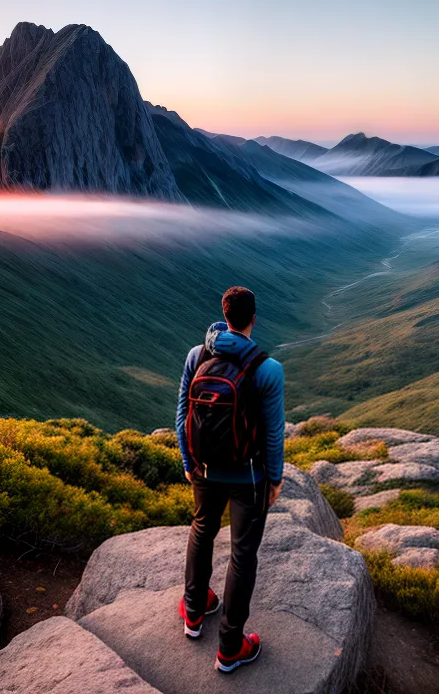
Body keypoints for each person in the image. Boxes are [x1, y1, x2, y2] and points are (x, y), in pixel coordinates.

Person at [175, 286, 285, 673]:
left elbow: (182, 412)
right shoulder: (267, 369)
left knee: (202, 530)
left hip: (204, 469)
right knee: (241, 555)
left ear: (224, 314)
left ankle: (193, 611)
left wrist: (189, 461)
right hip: (249, 477)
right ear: (254, 318)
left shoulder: (197, 354)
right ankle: (230, 647)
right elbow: (273, 433)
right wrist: (275, 479)